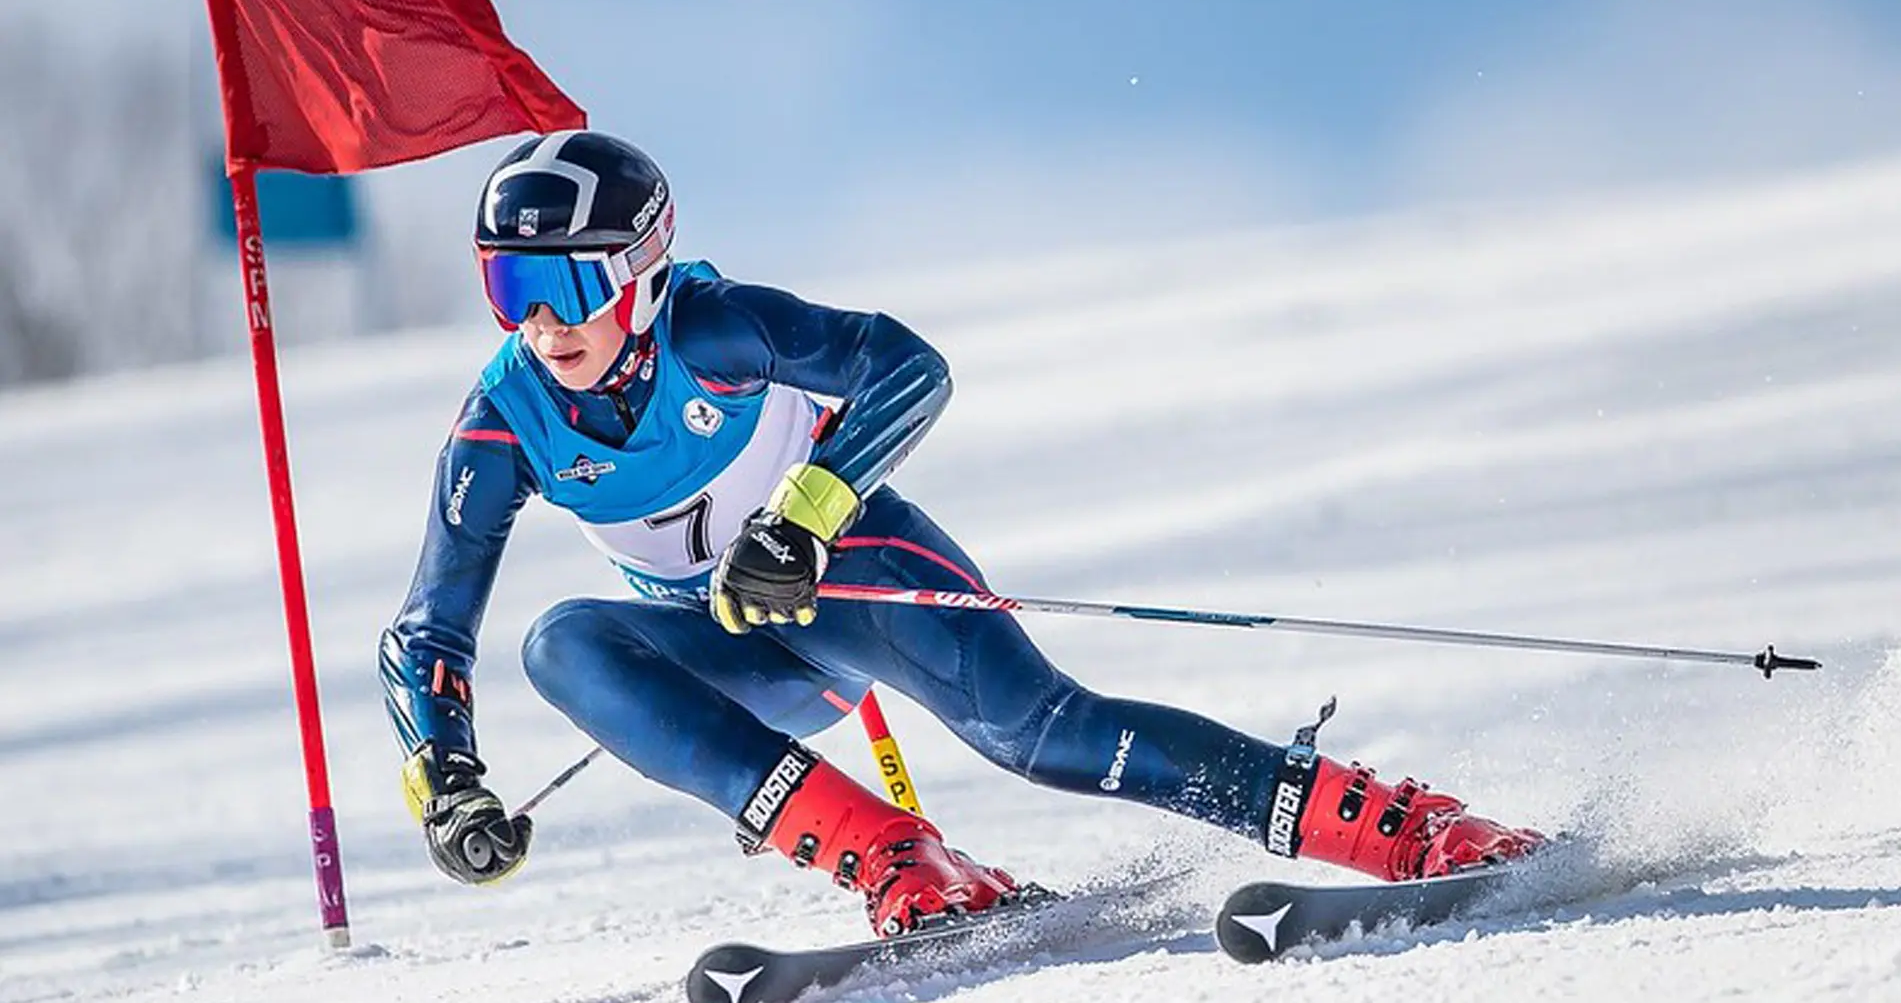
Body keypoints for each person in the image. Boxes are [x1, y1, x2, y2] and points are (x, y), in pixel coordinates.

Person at [379, 130, 1543, 937]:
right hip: (733, 650)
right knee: (563, 644)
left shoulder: (719, 329)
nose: (537, 321)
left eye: (562, 284)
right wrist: (451, 780)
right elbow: (428, 628)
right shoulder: (505, 423)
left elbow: (906, 368)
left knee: (1046, 739)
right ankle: (906, 860)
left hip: (853, 580)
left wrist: (805, 515)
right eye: (506, 283)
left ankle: (1403, 829)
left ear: (638, 273)